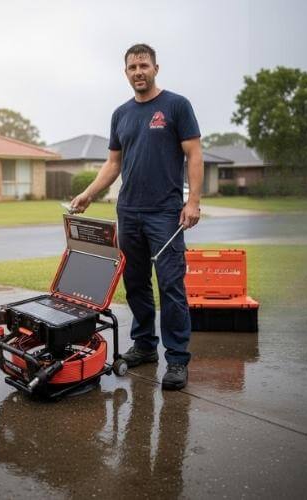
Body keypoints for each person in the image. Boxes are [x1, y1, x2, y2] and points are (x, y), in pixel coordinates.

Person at [70, 43, 202, 390]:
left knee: (171, 286)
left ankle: (176, 360)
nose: (138, 72)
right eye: (132, 67)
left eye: (144, 65)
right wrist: (88, 194)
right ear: (126, 73)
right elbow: (113, 163)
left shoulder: (176, 105)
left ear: (156, 68)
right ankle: (145, 346)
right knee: (136, 285)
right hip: (128, 212)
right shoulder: (121, 114)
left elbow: (194, 154)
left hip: (165, 213)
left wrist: (194, 202)